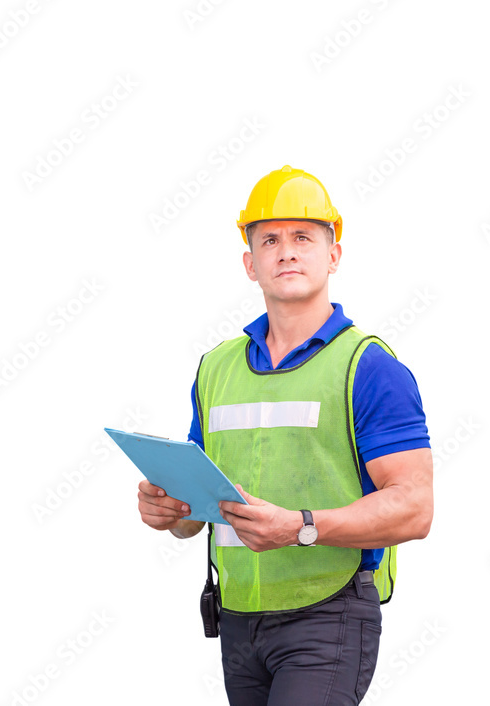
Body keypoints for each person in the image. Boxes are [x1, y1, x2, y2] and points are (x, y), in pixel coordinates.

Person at [137, 165, 434, 705]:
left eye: (303, 237)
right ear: (250, 263)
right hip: (238, 620)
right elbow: (201, 507)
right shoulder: (216, 368)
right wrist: (171, 513)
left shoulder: (368, 367)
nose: (287, 251)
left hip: (329, 613)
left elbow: (414, 509)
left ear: (333, 254)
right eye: (269, 239)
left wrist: (299, 528)